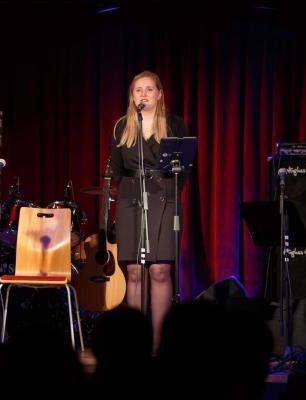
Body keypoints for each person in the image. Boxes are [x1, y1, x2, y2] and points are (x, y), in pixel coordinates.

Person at [109, 70, 189, 353]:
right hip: (131, 199)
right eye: (138, 90)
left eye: (149, 89)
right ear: (132, 97)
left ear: (159, 94)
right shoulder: (122, 126)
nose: (143, 94)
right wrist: (130, 191)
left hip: (164, 198)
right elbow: (116, 169)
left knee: (160, 270)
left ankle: (158, 344)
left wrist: (166, 190)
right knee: (134, 271)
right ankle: (135, 344)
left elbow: (184, 167)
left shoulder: (174, 124)